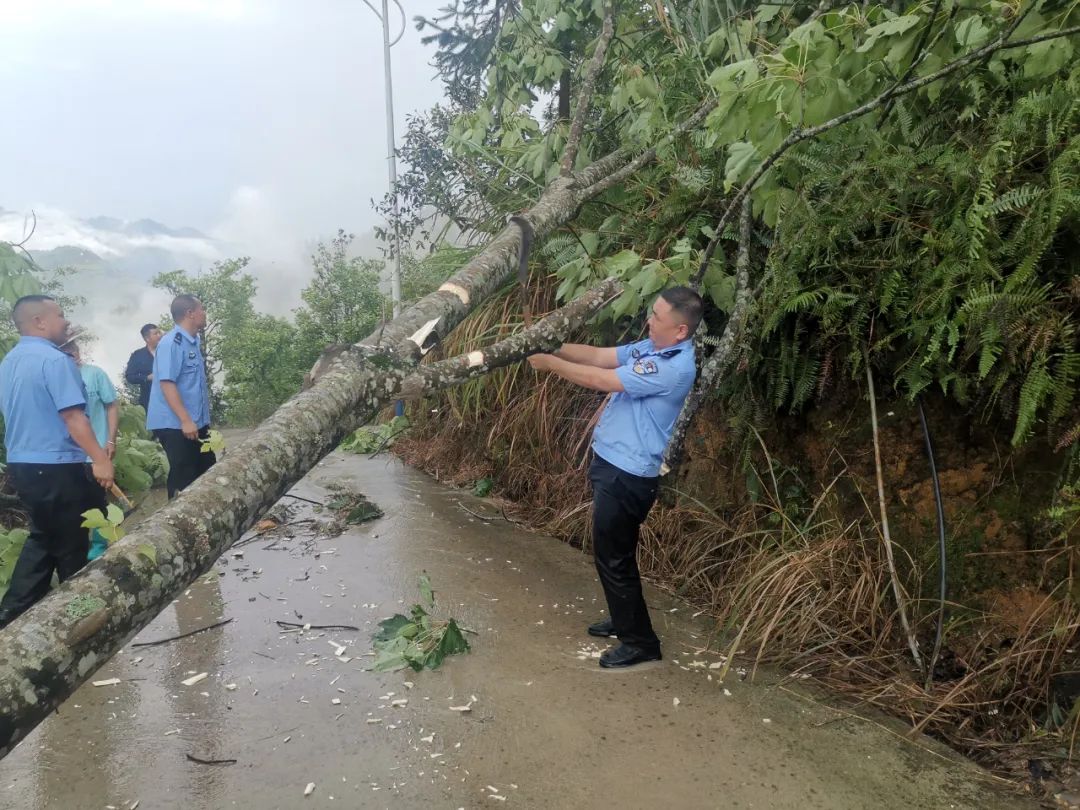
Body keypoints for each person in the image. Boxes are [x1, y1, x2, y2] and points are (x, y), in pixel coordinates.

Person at [527, 286, 704, 668]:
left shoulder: (672, 367)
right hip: (612, 463)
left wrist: (549, 363)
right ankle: (624, 619)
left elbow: (599, 380)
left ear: (680, 331)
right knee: (612, 553)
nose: (649, 320)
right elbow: (598, 357)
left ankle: (641, 643)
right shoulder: (651, 349)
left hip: (629, 475)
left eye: (657, 318)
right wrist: (550, 344)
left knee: (614, 556)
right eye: (651, 312)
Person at [0, 296, 114, 629]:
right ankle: (77, 618)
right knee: (69, 545)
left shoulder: (9, 361)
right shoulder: (54, 360)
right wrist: (99, 458)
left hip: (23, 464)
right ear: (39, 321)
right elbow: (73, 417)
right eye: (60, 315)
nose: (65, 321)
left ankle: (12, 617)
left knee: (45, 538)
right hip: (56, 464)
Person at [146, 295, 215, 498]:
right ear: (190, 313)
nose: (205, 313)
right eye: (202, 309)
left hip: (195, 422)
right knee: (184, 478)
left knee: (208, 471)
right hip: (175, 424)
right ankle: (177, 525)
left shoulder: (193, 340)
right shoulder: (170, 344)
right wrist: (185, 420)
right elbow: (167, 383)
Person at [60, 340, 119, 560]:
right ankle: (76, 552)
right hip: (68, 455)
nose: (70, 356)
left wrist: (111, 441)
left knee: (98, 501)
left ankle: (99, 549)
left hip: (96, 452)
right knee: (75, 504)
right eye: (64, 353)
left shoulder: (95, 374)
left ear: (77, 353)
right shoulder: (58, 379)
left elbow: (111, 405)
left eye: (71, 351)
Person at [124, 323, 162, 412]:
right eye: (156, 334)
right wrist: (147, 378)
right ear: (147, 338)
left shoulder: (168, 351)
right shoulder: (138, 355)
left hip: (171, 398)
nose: (159, 336)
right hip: (149, 401)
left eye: (159, 333)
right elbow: (129, 376)